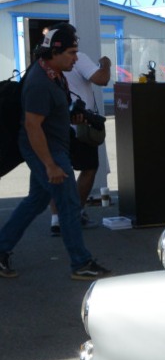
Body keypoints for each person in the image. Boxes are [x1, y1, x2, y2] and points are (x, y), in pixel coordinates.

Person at [0, 24, 111, 280]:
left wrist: (74, 115)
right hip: (46, 150)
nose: (76, 58)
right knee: (69, 204)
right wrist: (50, 164)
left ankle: (2, 248)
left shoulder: (53, 73)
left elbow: (50, 113)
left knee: (36, 201)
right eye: (72, 53)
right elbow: (32, 126)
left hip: (54, 146)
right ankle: (81, 263)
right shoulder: (40, 82)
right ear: (56, 52)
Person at [49, 31, 112, 235]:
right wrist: (106, 63)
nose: (74, 57)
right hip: (78, 125)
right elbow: (102, 79)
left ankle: (57, 218)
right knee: (89, 168)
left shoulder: (44, 64)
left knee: (58, 172)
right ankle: (74, 214)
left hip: (55, 126)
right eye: (72, 49)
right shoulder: (81, 59)